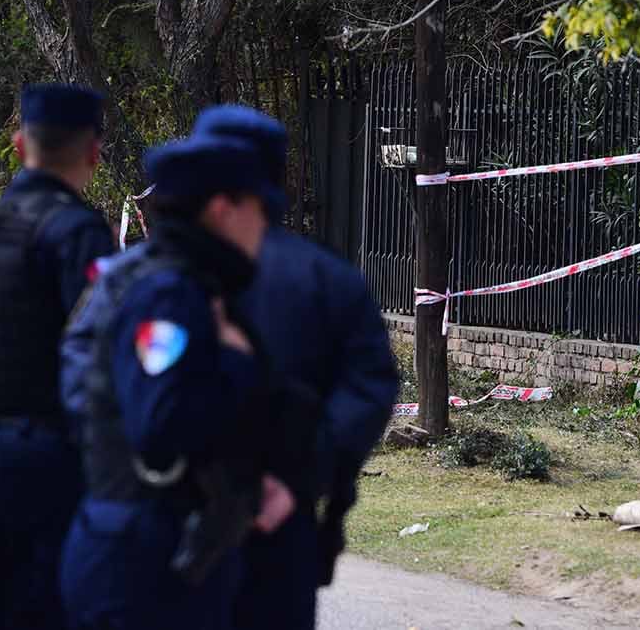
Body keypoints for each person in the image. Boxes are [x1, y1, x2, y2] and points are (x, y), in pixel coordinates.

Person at [58, 132, 295, 630]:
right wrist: (235, 359)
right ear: (222, 210)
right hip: (147, 562)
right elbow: (162, 425)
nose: (266, 225)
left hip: (156, 547)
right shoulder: (169, 294)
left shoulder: (168, 280)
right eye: (260, 208)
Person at [192, 105, 398, 630]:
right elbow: (371, 388)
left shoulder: (149, 273)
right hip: (282, 527)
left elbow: (90, 381)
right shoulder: (330, 279)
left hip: (174, 520)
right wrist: (298, 477)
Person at [0, 83, 115, 630]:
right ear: (94, 153)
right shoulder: (79, 234)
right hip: (59, 457)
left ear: (18, 145)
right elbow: (104, 347)